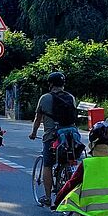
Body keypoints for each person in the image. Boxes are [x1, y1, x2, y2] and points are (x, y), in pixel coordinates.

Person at [29, 71, 81, 207]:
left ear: (50, 84)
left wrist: (33, 133)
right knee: (70, 160)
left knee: (47, 165)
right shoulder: (71, 97)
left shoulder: (45, 98)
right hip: (70, 135)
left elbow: (38, 119)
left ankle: (47, 197)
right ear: (63, 84)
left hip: (52, 137)